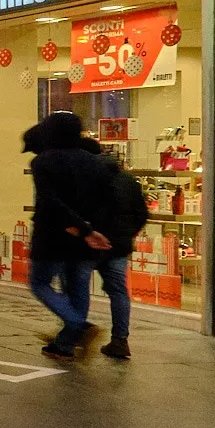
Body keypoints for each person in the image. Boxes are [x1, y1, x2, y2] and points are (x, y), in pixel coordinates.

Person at [24, 111, 112, 359]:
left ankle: (78, 326)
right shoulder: (94, 161)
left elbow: (49, 201)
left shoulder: (43, 161)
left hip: (53, 234)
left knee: (40, 282)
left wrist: (76, 225)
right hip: (87, 237)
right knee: (77, 286)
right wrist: (90, 229)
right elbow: (104, 201)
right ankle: (65, 345)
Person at [78, 132, 146, 360]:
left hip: (89, 243)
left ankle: (76, 333)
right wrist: (127, 235)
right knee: (118, 291)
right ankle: (120, 340)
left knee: (78, 287)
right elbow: (142, 213)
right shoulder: (128, 179)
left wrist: (86, 233)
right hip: (118, 245)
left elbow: (80, 210)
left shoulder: (86, 178)